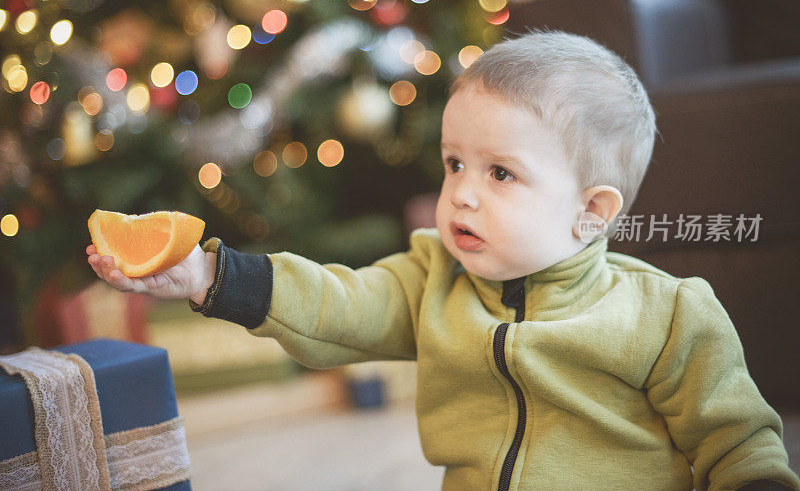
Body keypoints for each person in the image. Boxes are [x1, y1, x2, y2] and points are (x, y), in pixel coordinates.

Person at [86, 30, 800, 491]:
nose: (458, 195)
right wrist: (210, 276)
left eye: (500, 174)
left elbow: (737, 442)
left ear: (594, 211)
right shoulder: (431, 276)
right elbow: (339, 304)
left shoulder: (669, 314)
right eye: (455, 163)